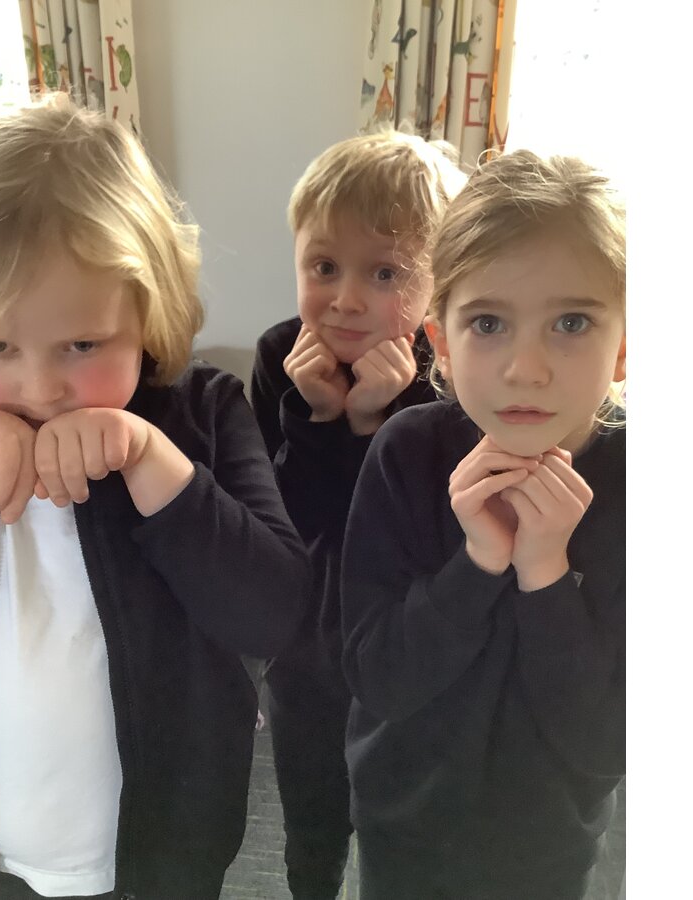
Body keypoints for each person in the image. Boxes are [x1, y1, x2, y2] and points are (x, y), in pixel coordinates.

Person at [0, 94, 310, 900]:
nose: (41, 387)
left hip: (160, 857)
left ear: (149, 311)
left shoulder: (203, 413)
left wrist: (153, 464)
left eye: (82, 344)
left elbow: (273, 613)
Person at [341, 150, 627, 899]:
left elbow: (607, 745)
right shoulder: (407, 453)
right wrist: (477, 564)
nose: (525, 369)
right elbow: (377, 676)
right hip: (402, 834)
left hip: (548, 853)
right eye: (489, 323)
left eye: (571, 322)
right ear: (441, 343)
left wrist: (547, 573)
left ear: (624, 346)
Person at [248, 130, 466, 900]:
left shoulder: (450, 377)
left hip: (407, 659)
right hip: (307, 656)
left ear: (441, 283)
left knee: (399, 827)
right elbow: (278, 528)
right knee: (311, 825)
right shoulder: (281, 357)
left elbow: (428, 539)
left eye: (385, 273)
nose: (344, 298)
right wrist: (318, 422)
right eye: (323, 267)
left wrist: (379, 423)